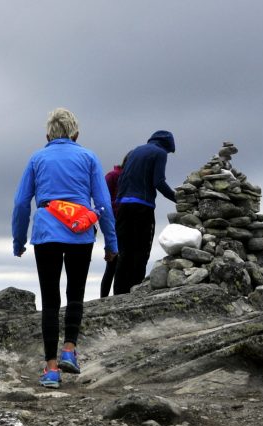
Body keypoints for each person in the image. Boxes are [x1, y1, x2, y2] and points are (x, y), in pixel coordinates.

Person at [12, 108, 118, 389]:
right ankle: (69, 349)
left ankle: (50, 369)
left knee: (49, 299)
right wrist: (111, 242)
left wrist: (18, 240)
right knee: (75, 293)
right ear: (76, 135)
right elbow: (104, 204)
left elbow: (22, 203)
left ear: (48, 135)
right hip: (80, 231)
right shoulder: (88, 157)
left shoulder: (37, 158)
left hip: (46, 231)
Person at [113, 131, 177, 295]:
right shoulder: (160, 153)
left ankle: (119, 294)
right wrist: (178, 198)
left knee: (124, 252)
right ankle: (135, 292)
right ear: (167, 145)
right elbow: (159, 182)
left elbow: (122, 178)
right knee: (141, 252)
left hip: (123, 206)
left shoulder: (135, 151)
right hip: (142, 206)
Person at [99, 161, 125, 297]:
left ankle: (114, 296)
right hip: (114, 223)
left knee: (118, 263)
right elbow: (104, 200)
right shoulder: (112, 176)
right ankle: (105, 298)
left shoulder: (126, 177)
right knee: (112, 263)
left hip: (122, 222)